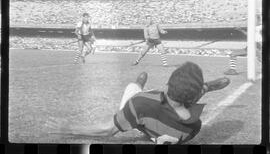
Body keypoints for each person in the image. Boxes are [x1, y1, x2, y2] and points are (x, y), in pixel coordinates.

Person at [49, 62, 230, 144]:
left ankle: (138, 83)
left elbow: (107, 130)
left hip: (142, 119)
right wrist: (204, 87)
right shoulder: (194, 126)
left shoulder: (140, 102)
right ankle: (206, 86)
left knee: (132, 89)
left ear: (166, 87)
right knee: (189, 97)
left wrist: (68, 128)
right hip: (161, 134)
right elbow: (188, 100)